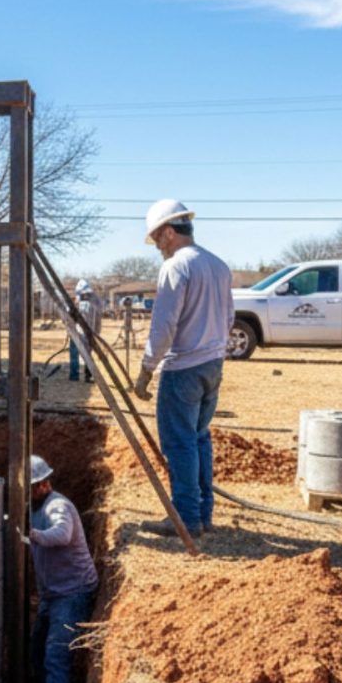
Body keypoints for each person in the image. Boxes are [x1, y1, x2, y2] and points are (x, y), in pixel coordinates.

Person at [132, 200, 233, 537]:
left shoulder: (176, 266)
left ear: (170, 232)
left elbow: (164, 326)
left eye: (158, 239)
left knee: (179, 444)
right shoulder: (218, 265)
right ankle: (202, 515)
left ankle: (186, 518)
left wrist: (147, 368)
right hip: (212, 365)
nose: (158, 247)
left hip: (183, 368)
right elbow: (229, 318)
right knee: (199, 438)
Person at [27, 454, 99, 683]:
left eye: (28, 487)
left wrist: (33, 535)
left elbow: (62, 533)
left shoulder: (58, 506)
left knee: (55, 659)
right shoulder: (32, 507)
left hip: (72, 594)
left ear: (42, 484)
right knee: (35, 654)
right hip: (53, 595)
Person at [68, 279, 102, 383]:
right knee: (82, 353)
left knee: (83, 354)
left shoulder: (92, 304)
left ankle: (79, 375)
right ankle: (81, 375)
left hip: (85, 332)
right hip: (80, 332)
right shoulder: (94, 303)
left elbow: (97, 320)